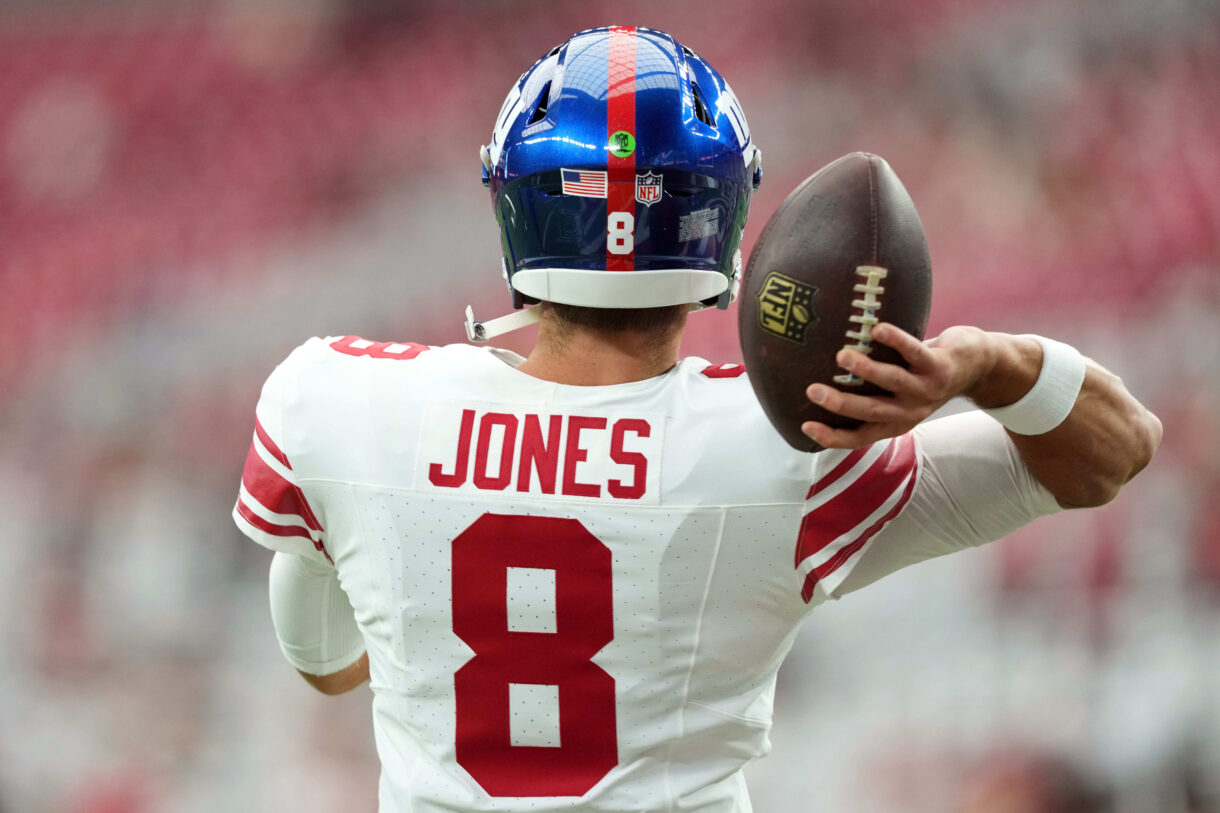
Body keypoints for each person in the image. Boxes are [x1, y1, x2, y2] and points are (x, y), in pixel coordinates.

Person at [232, 25, 1161, 813]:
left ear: (515, 204)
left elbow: (317, 652)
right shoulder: (787, 450)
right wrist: (985, 361)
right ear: (724, 221)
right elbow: (1111, 454)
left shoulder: (336, 401)